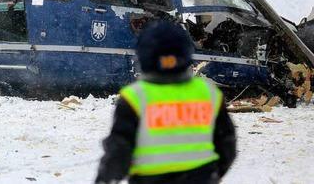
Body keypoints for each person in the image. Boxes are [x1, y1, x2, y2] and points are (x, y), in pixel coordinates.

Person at [95, 20, 236, 184]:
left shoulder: (135, 97)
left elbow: (119, 152)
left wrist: (104, 178)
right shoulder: (208, 93)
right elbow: (227, 145)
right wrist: (211, 175)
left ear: (143, 56)